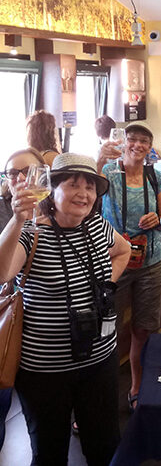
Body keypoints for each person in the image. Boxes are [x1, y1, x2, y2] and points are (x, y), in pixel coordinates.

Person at [0, 153, 131, 465]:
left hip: (100, 361)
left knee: (104, 446)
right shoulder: (32, 234)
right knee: (49, 453)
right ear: (52, 190)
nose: (84, 194)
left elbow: (123, 250)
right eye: (73, 185)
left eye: (90, 187)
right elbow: (3, 273)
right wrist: (18, 219)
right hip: (45, 370)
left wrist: (107, 284)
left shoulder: (98, 226)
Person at [98, 121, 161, 411]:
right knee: (105, 330)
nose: (138, 145)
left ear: (150, 147)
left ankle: (137, 386)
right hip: (114, 261)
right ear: (123, 142)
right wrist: (99, 157)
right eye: (133, 139)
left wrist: (158, 220)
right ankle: (98, 398)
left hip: (151, 262)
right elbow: (89, 204)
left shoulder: (156, 177)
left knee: (144, 328)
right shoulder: (109, 173)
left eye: (144, 141)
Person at [0, 148, 45, 450]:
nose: (18, 179)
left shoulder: (52, 211)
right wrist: (17, 219)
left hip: (37, 333)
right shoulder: (7, 210)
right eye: (11, 173)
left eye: (25, 172)